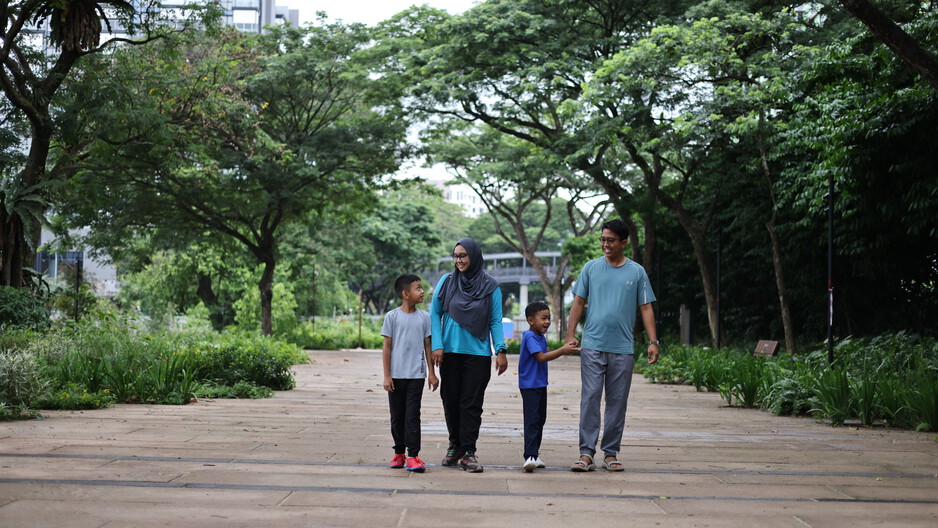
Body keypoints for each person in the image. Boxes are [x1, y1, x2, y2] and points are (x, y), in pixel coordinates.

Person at [565, 219, 659, 472]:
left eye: (610, 240)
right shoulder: (591, 268)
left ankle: (610, 453)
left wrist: (653, 342)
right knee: (591, 397)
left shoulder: (636, 272)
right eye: (603, 239)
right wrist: (570, 334)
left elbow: (646, 307)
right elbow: (577, 303)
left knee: (617, 402)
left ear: (623, 243)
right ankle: (586, 453)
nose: (605, 244)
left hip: (623, 348)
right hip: (593, 345)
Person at [430, 237, 508, 473]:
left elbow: (495, 320)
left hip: (478, 354)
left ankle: (468, 452)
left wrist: (501, 350)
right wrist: (437, 345)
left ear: (474, 256)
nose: (459, 260)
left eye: (463, 255)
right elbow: (435, 314)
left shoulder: (490, 286)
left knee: (471, 404)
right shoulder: (446, 281)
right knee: (450, 401)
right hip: (450, 353)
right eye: (455, 256)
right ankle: (455, 445)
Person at [382, 274, 438, 473]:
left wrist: (432, 373)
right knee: (397, 416)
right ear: (405, 294)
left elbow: (428, 345)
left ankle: (413, 456)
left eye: (422, 287)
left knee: (412, 416)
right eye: (418, 288)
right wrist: (386, 375)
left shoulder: (424, 317)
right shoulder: (392, 317)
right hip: (396, 376)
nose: (422, 291)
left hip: (416, 376)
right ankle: (399, 453)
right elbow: (387, 347)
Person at [518, 301, 578, 472]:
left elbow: (546, 352)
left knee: (540, 419)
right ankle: (529, 456)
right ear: (531, 320)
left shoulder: (540, 337)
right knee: (532, 420)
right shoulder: (529, 336)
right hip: (530, 385)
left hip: (539, 384)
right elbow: (542, 357)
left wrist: (567, 347)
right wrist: (563, 350)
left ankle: (534, 455)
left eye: (549, 318)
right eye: (543, 318)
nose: (547, 322)